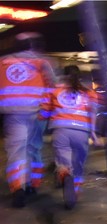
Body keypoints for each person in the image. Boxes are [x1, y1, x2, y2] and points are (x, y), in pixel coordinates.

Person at [0, 32, 56, 208]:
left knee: (16, 151)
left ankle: (18, 188)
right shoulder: (41, 63)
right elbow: (53, 88)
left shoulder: (3, 62)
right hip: (37, 114)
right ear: (32, 46)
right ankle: (33, 184)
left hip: (13, 114)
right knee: (34, 148)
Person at [39, 65, 101, 209]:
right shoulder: (89, 93)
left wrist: (43, 116)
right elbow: (93, 114)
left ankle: (65, 174)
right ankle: (75, 192)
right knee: (78, 164)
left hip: (61, 131)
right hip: (81, 132)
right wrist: (93, 133)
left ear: (62, 76)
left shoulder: (54, 91)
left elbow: (43, 114)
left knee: (64, 162)